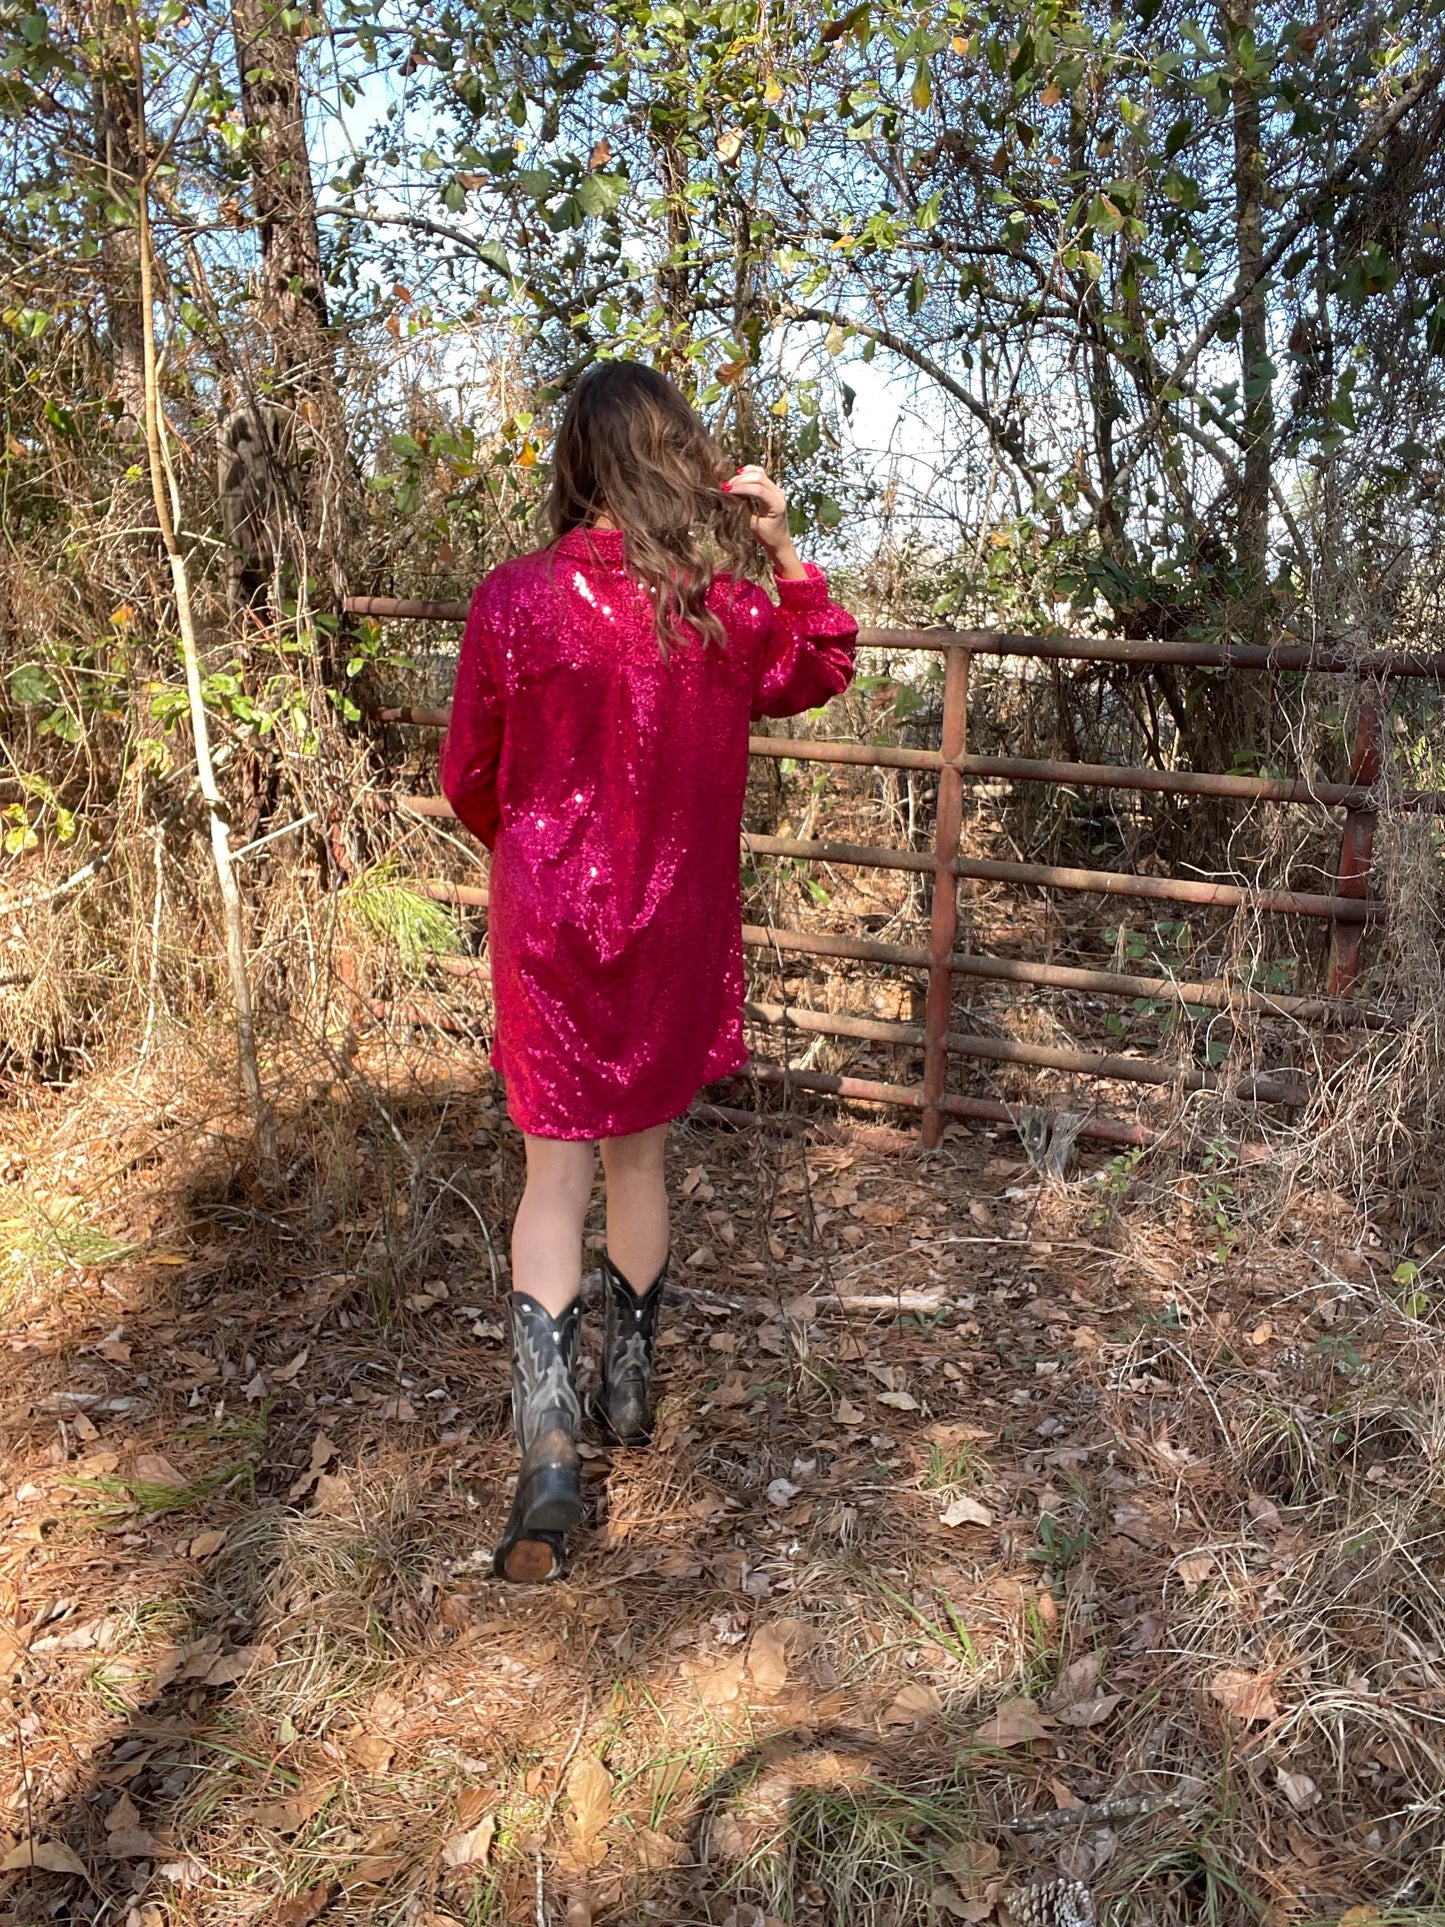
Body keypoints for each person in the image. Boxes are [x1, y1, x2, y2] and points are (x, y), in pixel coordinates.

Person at [440, 361, 857, 1583]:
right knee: (640, 1156)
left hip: (548, 926)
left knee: (551, 1174)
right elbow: (821, 665)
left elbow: (471, 771)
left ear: (577, 460)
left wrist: (534, 848)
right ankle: (627, 1388)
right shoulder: (719, 613)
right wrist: (784, 549)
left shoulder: (514, 601)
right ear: (675, 458)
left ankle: (551, 1457)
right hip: (672, 924)